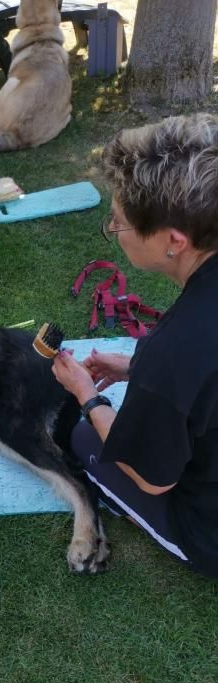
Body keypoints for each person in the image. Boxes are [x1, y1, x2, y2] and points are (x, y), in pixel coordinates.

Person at [52, 113, 218, 578]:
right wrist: (135, 368)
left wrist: (88, 396)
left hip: (207, 531)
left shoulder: (176, 350)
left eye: (120, 223)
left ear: (174, 241)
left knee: (84, 438)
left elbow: (152, 477)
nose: (113, 228)